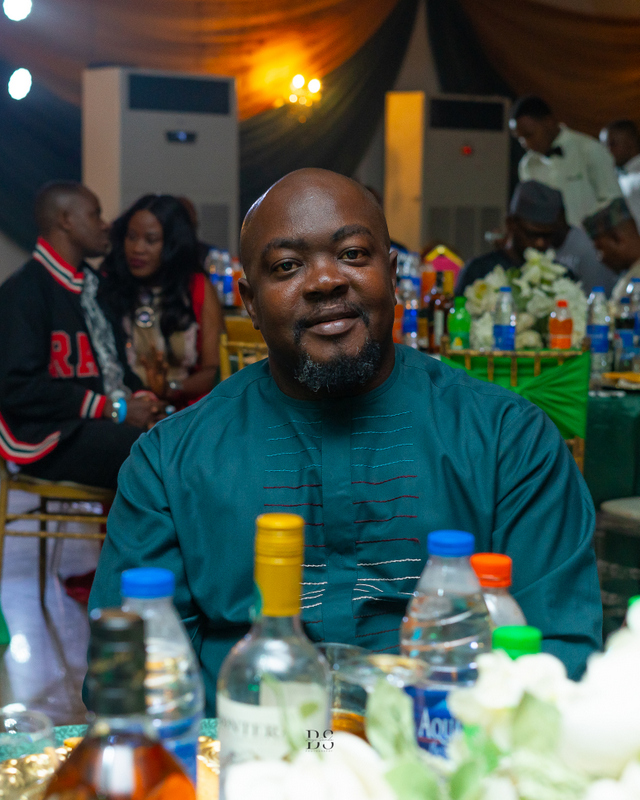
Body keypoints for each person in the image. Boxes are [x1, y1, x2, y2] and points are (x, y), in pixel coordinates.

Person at [90, 168, 602, 714]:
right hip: (246, 748)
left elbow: (558, 653)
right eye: (287, 266)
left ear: (393, 274)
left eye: (353, 255)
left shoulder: (507, 440)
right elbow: (127, 676)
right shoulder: (170, 462)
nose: (325, 281)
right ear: (250, 302)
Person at [0, 182, 160, 490]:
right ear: (66, 220)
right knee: (152, 452)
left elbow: (117, 369)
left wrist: (143, 399)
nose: (105, 225)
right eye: (95, 214)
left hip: (98, 425)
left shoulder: (95, 285)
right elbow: (17, 388)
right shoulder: (22, 292)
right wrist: (110, 408)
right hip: (50, 438)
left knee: (179, 438)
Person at [100, 195, 224, 408]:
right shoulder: (108, 283)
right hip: (121, 408)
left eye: (150, 240)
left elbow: (213, 370)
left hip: (182, 410)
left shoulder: (196, 287)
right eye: (131, 237)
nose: (137, 249)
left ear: (173, 245)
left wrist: (170, 389)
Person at [456, 180, 617, 296]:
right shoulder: (478, 272)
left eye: (548, 235)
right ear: (511, 224)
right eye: (532, 234)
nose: (540, 243)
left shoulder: (563, 278)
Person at [510, 96, 621, 228]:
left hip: (590, 238)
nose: (525, 143)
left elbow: (613, 202)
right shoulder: (527, 165)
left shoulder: (589, 150)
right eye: (520, 139)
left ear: (549, 122)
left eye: (529, 135)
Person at [583, 197, 640, 304]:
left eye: (600, 248)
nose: (600, 258)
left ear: (616, 238)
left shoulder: (634, 286)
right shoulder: (628, 279)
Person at [600, 120, 640, 228]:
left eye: (612, 144)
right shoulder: (618, 175)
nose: (607, 151)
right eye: (604, 146)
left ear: (631, 141)